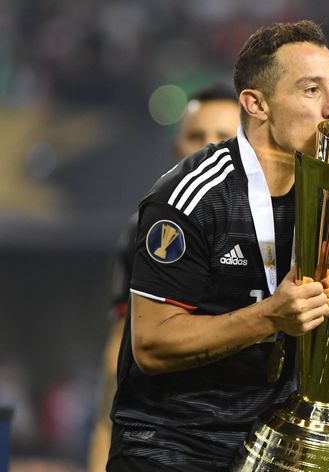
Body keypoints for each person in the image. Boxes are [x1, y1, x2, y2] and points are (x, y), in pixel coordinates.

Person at [107, 20, 329, 471]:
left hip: (267, 449)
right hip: (171, 447)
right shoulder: (192, 198)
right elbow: (151, 346)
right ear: (257, 104)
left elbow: (310, 340)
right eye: (311, 90)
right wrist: (271, 314)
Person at [87, 83, 241, 472]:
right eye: (196, 136)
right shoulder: (148, 229)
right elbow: (120, 344)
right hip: (168, 441)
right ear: (176, 150)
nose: (208, 148)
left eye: (223, 138)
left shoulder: (277, 225)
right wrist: (102, 440)